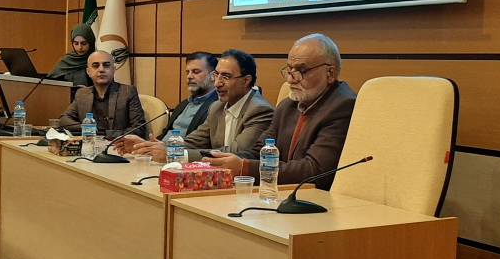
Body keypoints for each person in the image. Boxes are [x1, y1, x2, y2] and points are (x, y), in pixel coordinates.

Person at [209, 34, 356, 190]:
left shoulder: (343, 106)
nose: (290, 79)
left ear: (330, 73)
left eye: (301, 70)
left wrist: (245, 168)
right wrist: (223, 162)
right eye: (290, 70)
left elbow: (315, 170)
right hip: (280, 193)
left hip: (316, 198)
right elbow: (259, 152)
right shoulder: (288, 105)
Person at [124, 49, 273, 162]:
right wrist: (147, 147)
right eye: (216, 75)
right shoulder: (217, 107)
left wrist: (175, 154)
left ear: (246, 81)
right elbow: (193, 142)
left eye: (226, 77)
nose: (217, 83)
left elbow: (235, 153)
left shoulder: (260, 110)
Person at [57, 51, 147, 137]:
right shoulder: (82, 94)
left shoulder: (128, 91)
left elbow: (139, 129)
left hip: (117, 144)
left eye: (106, 65)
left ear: (114, 70)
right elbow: (64, 120)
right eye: (95, 66)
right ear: (88, 72)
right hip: (90, 143)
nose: (101, 69)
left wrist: (106, 134)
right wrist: (87, 128)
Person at [160, 52, 219, 137]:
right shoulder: (183, 104)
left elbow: (203, 142)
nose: (189, 76)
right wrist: (149, 143)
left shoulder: (218, 106)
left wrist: (166, 145)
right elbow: (167, 134)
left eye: (196, 72)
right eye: (187, 72)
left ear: (213, 76)